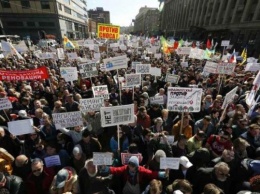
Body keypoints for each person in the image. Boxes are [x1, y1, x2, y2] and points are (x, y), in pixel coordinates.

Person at [101, 156, 169, 194]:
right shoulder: (125, 168)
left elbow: (151, 173)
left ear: (136, 166)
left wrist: (163, 174)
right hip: (127, 190)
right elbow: (116, 170)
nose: (130, 167)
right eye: (129, 164)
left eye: (133, 165)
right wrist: (106, 168)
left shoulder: (141, 170)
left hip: (137, 191)